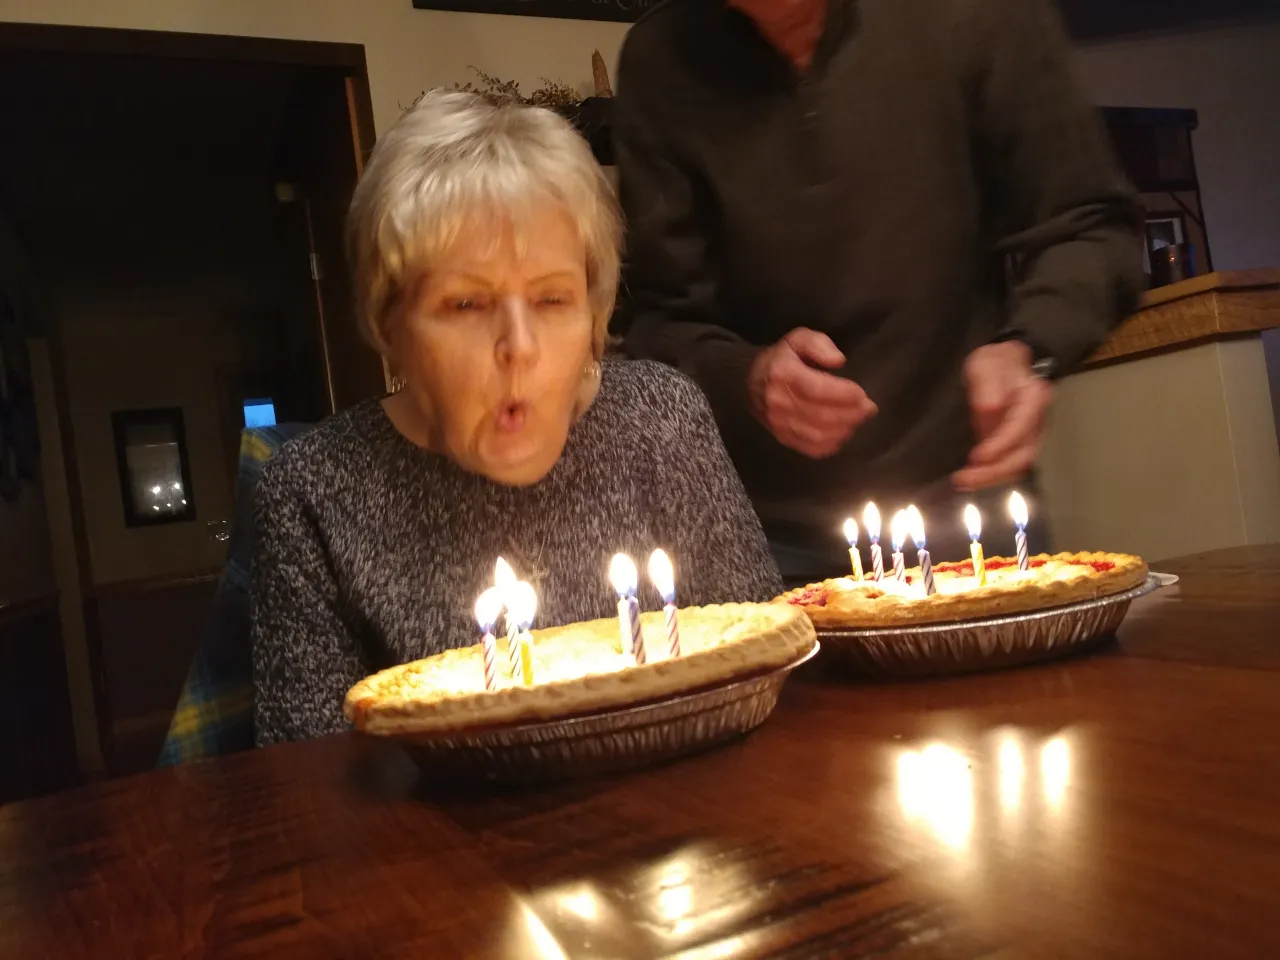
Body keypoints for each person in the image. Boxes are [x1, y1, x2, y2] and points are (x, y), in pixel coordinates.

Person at [251, 90, 781, 746]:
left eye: (553, 299)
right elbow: (311, 790)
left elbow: (767, 677)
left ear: (595, 312)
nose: (520, 347)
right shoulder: (312, 494)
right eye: (468, 304)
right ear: (391, 326)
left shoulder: (662, 423)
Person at [614, 0, 1146, 585]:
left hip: (968, 509)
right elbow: (659, 320)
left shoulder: (977, 16)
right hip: (760, 534)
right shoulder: (661, 60)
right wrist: (748, 379)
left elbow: (1091, 223)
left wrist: (1031, 345)